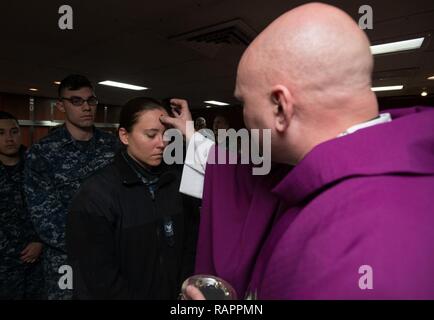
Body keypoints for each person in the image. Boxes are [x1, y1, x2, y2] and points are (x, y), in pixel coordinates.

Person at [161, 2, 434, 299]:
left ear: (280, 107)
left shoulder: (362, 246)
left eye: (244, 102)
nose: (245, 116)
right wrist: (190, 133)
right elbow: (242, 174)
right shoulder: (385, 163)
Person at [66, 97, 199, 299]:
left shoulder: (177, 182)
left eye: (166, 134)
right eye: (151, 135)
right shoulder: (96, 194)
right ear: (124, 136)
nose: (162, 143)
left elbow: (189, 249)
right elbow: (96, 277)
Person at [24, 74, 119, 299]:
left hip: (112, 254)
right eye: (76, 101)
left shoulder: (114, 146)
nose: (86, 107)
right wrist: (92, 245)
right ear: (61, 106)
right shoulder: (42, 152)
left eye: (91, 100)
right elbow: (44, 215)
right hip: (65, 259)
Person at [0, 111, 45, 299]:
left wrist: (40, 241)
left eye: (14, 131)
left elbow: (51, 207)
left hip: (38, 260)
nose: (9, 138)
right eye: (1, 133)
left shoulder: (37, 165)